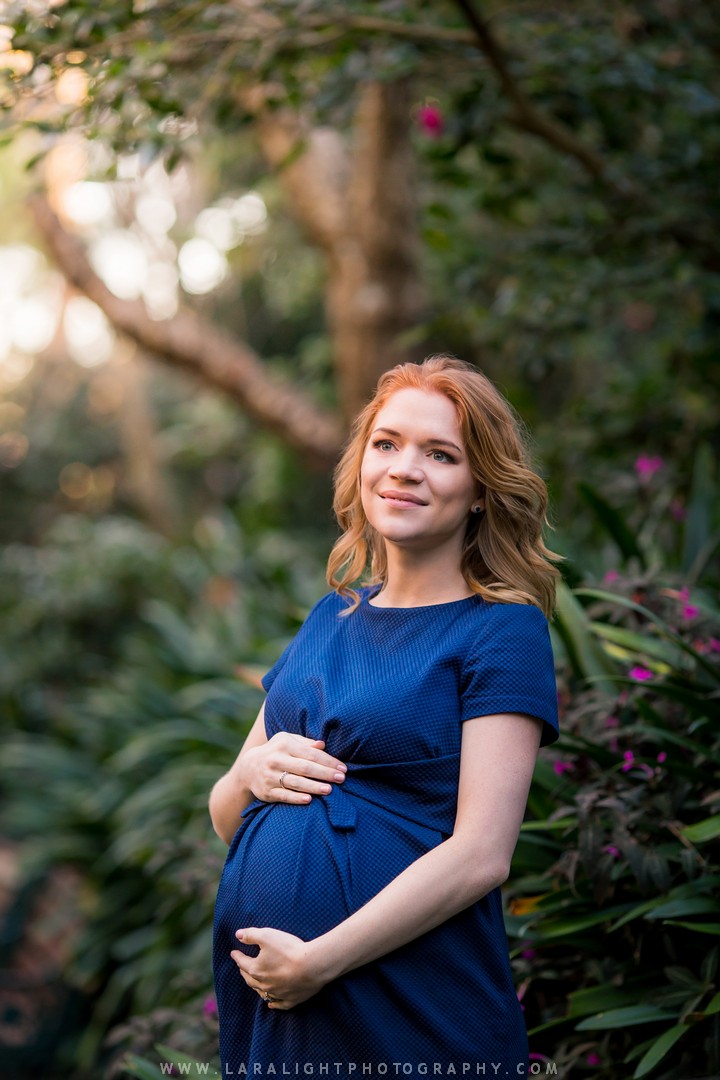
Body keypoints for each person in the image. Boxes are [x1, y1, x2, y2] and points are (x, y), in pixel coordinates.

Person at [210, 355, 560, 1078]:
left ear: (479, 492)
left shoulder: (502, 630)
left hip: (408, 1005)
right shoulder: (328, 619)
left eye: (440, 454)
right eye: (387, 443)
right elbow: (225, 818)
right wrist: (246, 772)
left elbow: (482, 854)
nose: (404, 468)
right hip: (283, 1009)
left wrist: (319, 961)